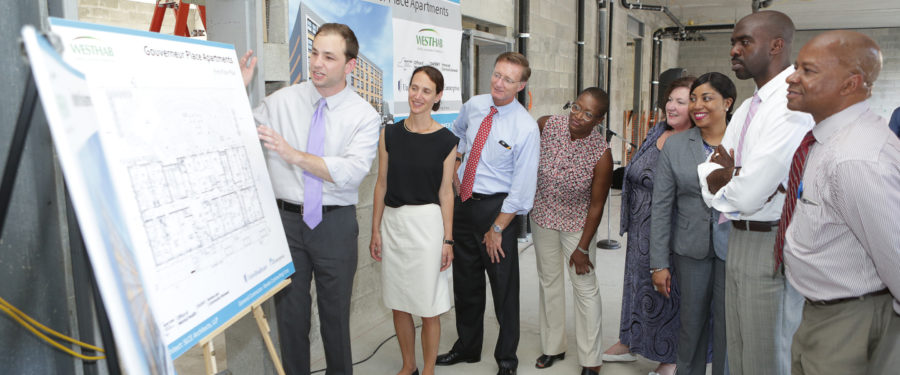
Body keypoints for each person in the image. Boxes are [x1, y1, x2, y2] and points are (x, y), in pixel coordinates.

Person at [240, 23, 381, 375]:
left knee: (335, 320)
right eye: (314, 52)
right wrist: (237, 89)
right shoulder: (283, 101)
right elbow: (238, 125)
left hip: (334, 224)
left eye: (329, 57)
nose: (317, 63)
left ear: (350, 66)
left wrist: (294, 155)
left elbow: (351, 172)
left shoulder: (364, 116)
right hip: (286, 224)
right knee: (290, 318)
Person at [697, 11, 814, 375]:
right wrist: (730, 179)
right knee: (740, 349)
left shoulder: (790, 107)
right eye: (734, 42)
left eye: (744, 41)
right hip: (738, 235)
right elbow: (709, 170)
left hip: (771, 240)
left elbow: (748, 192)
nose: (734, 50)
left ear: (776, 45)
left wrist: (729, 180)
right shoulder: (751, 106)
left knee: (767, 355)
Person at [780, 30, 900, 375]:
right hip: (824, 312)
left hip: (851, 322)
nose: (793, 78)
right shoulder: (829, 140)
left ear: (851, 84)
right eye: (797, 67)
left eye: (808, 70)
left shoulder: (856, 158)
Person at [435, 52, 540, 375]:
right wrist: (456, 162)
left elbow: (522, 189)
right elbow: (458, 132)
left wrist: (497, 228)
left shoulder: (525, 127)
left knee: (503, 288)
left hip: (498, 211)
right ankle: (467, 347)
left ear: (521, 85)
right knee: (465, 282)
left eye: (508, 79)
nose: (499, 83)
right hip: (464, 202)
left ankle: (506, 359)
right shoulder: (476, 105)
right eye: (497, 74)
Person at [604, 76, 696, 375]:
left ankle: (670, 358)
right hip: (641, 227)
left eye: (681, 102)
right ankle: (630, 340)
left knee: (668, 292)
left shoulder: (693, 142)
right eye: (670, 99)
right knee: (637, 286)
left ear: (695, 107)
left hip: (670, 230)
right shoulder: (658, 129)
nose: (671, 106)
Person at [369, 66, 458, 375]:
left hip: (428, 228)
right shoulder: (389, 133)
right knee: (399, 301)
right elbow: (381, 183)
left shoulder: (447, 140)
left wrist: (448, 239)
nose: (417, 96)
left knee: (429, 305)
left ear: (438, 97)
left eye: (426, 91)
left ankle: (429, 369)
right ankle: (409, 366)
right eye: (414, 88)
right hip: (393, 225)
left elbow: (446, 193)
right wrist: (375, 230)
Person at [651, 72, 735, 375]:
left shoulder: (744, 141)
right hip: (690, 249)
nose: (697, 105)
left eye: (707, 98)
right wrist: (658, 263)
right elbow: (661, 207)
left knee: (730, 327)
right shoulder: (676, 147)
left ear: (727, 102)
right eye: (695, 98)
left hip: (734, 248)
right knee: (691, 326)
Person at [530, 87, 614, 375]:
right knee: (549, 283)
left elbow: (597, 205)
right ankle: (553, 347)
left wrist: (582, 248)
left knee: (585, 289)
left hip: (577, 227)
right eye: (576, 107)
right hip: (542, 218)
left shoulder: (601, 154)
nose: (578, 116)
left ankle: (592, 360)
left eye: (588, 113)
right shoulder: (547, 125)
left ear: (599, 119)